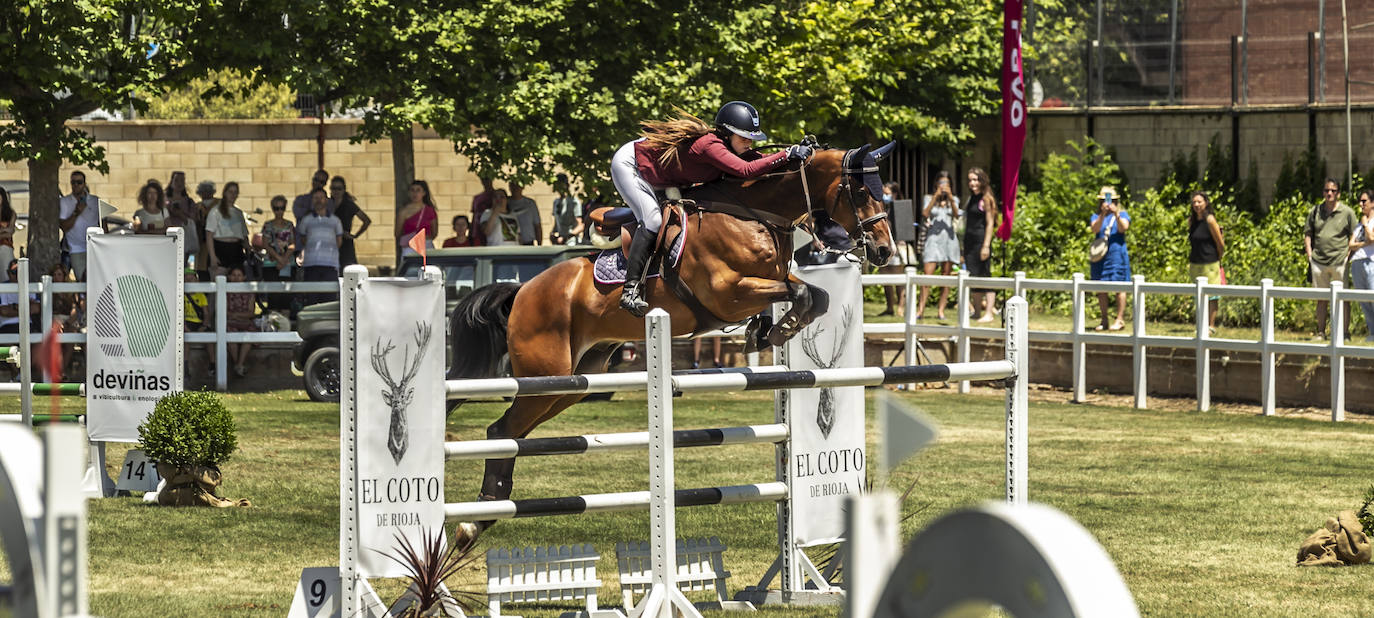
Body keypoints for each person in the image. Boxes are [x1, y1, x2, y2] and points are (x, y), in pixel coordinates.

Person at [610, 101, 811, 316]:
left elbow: (761, 161)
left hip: (663, 176)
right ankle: (630, 290)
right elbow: (746, 170)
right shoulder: (709, 146)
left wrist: (797, 154)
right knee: (652, 221)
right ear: (726, 134)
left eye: (751, 138)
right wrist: (786, 154)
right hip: (631, 166)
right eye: (744, 138)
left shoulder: (728, 146)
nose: (749, 143)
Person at [1305, 178, 1358, 340]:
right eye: (1327, 190)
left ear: (1338, 194)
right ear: (1323, 192)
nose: (1329, 193)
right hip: (1318, 262)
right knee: (1321, 299)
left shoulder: (1347, 212)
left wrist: (1348, 256)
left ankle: (1344, 333)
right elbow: (1308, 234)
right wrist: (1309, 255)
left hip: (1339, 261)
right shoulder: (1315, 211)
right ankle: (1321, 332)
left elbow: (1355, 234)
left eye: (1333, 191)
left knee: (1343, 299)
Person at [916, 174, 960, 320]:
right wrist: (936, 196)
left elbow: (956, 214)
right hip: (933, 240)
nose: (944, 186)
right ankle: (920, 310)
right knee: (927, 276)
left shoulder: (954, 200)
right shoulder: (929, 198)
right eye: (941, 183)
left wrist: (951, 197)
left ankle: (941, 311)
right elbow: (924, 213)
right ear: (936, 184)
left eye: (946, 183)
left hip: (949, 241)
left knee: (945, 278)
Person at [1089, 185, 1132, 331]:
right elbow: (1094, 229)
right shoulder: (1096, 216)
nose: (1107, 203)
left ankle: (1119, 319)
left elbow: (1123, 228)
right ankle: (1104, 319)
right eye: (1104, 200)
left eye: (1110, 200)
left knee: (1119, 287)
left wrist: (1116, 214)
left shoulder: (1123, 214)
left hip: (1117, 255)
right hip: (1100, 256)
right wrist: (1102, 214)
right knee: (1101, 288)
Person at [1187, 191, 1226, 334]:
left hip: (1210, 262)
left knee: (1212, 295)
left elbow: (1220, 244)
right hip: (1195, 263)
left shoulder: (1210, 220)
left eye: (1199, 202)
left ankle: (1211, 325)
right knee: (1197, 294)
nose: (1196, 205)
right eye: (1194, 202)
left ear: (1206, 203)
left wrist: (1218, 257)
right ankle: (1201, 323)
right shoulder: (1191, 221)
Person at [963, 167, 998, 322]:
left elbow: (990, 224)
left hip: (981, 241)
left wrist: (986, 246)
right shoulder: (972, 199)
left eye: (976, 180)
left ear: (982, 181)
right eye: (970, 180)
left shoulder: (987, 199)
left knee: (985, 276)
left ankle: (989, 313)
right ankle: (977, 312)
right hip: (969, 242)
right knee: (974, 276)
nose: (973, 183)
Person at [299, 187, 344, 304]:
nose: (319, 200)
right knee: (311, 299)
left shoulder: (335, 221)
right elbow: (303, 239)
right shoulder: (306, 220)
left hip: (330, 265)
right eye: (316, 198)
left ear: (326, 200)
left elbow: (339, 241)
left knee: (328, 300)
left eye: (321, 198)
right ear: (312, 200)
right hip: (311, 265)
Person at [58, 171, 102, 280]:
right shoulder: (65, 201)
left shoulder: (95, 201)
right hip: (75, 248)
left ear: (84, 184)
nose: (76, 185)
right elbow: (64, 226)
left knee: (96, 280)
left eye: (79, 182)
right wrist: (76, 212)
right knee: (82, 280)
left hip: (94, 247)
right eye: (73, 183)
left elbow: (102, 223)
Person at [205, 181, 251, 274]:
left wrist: (248, 250)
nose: (233, 195)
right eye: (230, 192)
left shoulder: (238, 213)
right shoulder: (215, 211)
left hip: (236, 249)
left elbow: (244, 235)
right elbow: (209, 235)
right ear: (225, 193)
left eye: (235, 192)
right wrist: (213, 256)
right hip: (220, 248)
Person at [260, 195, 296, 309]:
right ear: (272, 208)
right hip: (271, 264)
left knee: (286, 296)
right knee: (273, 296)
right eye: (276, 208)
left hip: (288, 263)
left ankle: (286, 322)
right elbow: (265, 244)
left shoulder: (289, 225)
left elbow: (293, 243)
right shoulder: (268, 225)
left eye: (282, 208)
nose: (279, 211)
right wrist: (279, 259)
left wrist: (284, 259)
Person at [1348, 190, 1374, 342]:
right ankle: (1372, 332)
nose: (1361, 204)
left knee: (1372, 296)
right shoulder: (1359, 224)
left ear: (1372, 203)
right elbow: (1351, 245)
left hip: (1371, 262)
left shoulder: (1366, 223)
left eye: (1364, 201)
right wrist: (1364, 243)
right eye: (1360, 201)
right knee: (1363, 299)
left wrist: (1366, 225)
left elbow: (1371, 237)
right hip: (1357, 263)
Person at [223, 265, 259, 377]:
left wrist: (236, 315)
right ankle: (238, 365)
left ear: (244, 277)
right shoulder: (224, 291)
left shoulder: (250, 293)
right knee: (230, 335)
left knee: (249, 335)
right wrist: (234, 316)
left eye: (239, 275)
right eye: (233, 275)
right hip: (229, 321)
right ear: (229, 277)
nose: (236, 278)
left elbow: (251, 312)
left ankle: (239, 364)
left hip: (245, 321)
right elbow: (222, 310)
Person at [877, 181, 906, 316]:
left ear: (894, 194)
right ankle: (890, 308)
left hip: (897, 247)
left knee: (898, 279)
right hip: (884, 247)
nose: (884, 196)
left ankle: (901, 306)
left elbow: (903, 229)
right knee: (885, 279)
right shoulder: (880, 207)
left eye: (887, 194)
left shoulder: (900, 208)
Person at [328, 175, 369, 268]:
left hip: (345, 244)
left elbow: (366, 220)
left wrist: (355, 235)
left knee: (348, 272)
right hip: (329, 242)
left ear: (344, 190)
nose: (336, 191)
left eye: (339, 189)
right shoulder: (327, 203)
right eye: (334, 188)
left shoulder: (349, 205)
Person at [182, 270, 214, 376]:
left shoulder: (201, 295)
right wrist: (184, 326)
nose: (189, 281)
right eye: (186, 279)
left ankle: (213, 364)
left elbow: (206, 313)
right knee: (185, 338)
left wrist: (204, 326)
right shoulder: (181, 294)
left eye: (192, 279)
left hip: (199, 323)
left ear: (197, 281)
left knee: (210, 337)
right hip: (186, 322)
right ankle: (185, 367)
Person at [398, 180, 439, 257]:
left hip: (426, 246)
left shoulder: (430, 211)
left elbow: (434, 233)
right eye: (412, 190)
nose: (415, 193)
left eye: (418, 190)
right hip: (409, 247)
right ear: (409, 193)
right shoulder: (403, 212)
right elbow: (398, 232)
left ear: (424, 193)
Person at [193, 180, 219, 280]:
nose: (205, 193)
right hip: (201, 243)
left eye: (208, 191)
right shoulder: (197, 206)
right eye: (203, 191)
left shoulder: (219, 204)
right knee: (202, 270)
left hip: (216, 242)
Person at [549, 174, 584, 245]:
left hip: (571, 243)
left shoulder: (574, 202)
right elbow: (557, 223)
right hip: (559, 242)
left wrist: (567, 237)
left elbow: (580, 226)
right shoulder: (556, 202)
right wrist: (552, 234)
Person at [469, 176, 497, 246]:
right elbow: (474, 216)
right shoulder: (477, 198)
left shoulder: (497, 196)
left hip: (493, 231)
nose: (486, 182)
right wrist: (471, 233)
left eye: (487, 179)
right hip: (478, 232)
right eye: (483, 179)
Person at [0, 187, 16, 283]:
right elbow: (8, 231)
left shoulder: (11, 213)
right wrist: (4, 231)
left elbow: (10, 231)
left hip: (6, 247)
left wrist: (5, 231)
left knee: (6, 276)